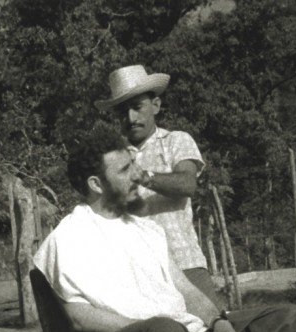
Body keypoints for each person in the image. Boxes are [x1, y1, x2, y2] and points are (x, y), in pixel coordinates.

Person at [33, 123, 296, 332]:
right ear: (96, 184)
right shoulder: (71, 234)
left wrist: (219, 323)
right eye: (125, 169)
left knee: (291, 322)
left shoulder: (146, 230)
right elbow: (81, 318)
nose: (136, 175)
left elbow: (186, 291)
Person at [94, 64, 222, 306]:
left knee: (213, 329)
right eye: (123, 112)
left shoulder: (176, 140)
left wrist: (144, 177)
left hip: (184, 261)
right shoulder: (111, 155)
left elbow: (187, 184)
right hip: (136, 270)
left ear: (156, 105)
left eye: (137, 107)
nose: (131, 118)